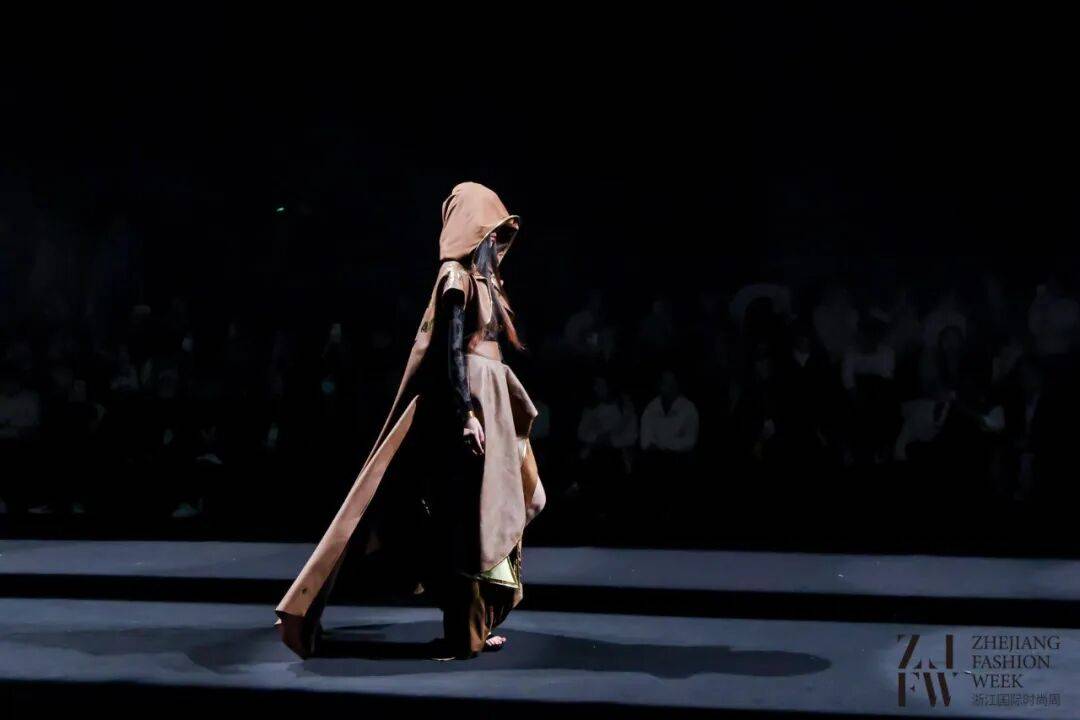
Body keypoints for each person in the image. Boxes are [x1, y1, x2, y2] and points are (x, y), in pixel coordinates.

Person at [275, 182, 545, 660]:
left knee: (512, 504)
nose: (497, 241)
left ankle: (477, 625)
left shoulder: (483, 280)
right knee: (468, 521)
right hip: (471, 407)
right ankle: (465, 633)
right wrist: (466, 413)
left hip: (494, 404)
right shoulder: (455, 277)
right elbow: (450, 348)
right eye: (491, 231)